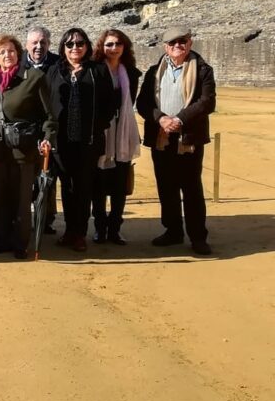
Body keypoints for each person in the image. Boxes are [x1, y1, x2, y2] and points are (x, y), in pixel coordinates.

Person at [136, 26, 215, 256]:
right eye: (172, 43)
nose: (177, 46)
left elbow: (207, 102)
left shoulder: (202, 69)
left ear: (190, 43)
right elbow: (143, 103)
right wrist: (161, 119)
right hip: (162, 137)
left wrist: (179, 119)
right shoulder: (154, 71)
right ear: (165, 47)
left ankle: (198, 237)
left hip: (187, 138)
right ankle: (173, 231)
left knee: (191, 188)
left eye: (182, 41)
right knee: (166, 186)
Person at [0, 35, 57, 259]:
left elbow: (49, 115)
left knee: (21, 200)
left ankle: (21, 243)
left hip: (24, 149)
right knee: (0, 198)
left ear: (18, 53)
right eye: (2, 52)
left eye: (11, 51)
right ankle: (2, 240)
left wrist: (48, 137)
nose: (7, 55)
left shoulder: (34, 78)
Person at [46, 28, 115, 252]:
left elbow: (110, 103)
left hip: (88, 141)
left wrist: (98, 126)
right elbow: (46, 103)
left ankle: (80, 233)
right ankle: (69, 230)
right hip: (62, 141)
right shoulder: (54, 71)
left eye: (79, 43)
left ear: (87, 46)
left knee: (84, 187)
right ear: (63, 47)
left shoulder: (98, 70)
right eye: (70, 44)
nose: (75, 48)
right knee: (67, 186)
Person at [91, 29, 142, 245]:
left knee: (120, 185)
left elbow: (131, 103)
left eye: (118, 44)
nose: (114, 48)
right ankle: (100, 228)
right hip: (102, 131)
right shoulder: (94, 70)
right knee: (99, 185)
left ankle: (115, 228)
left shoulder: (130, 73)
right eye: (109, 44)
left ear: (124, 47)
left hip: (123, 131)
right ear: (102, 47)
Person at [22, 26, 58, 234]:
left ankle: (45, 220)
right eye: (34, 42)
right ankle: (22, 218)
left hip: (49, 129)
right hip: (25, 130)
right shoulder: (18, 65)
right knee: (25, 180)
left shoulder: (57, 64)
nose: (38, 46)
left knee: (47, 179)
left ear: (49, 44)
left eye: (43, 42)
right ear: (26, 44)